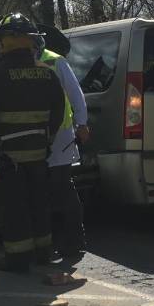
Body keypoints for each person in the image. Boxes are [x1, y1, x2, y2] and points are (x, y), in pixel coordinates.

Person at [0, 13, 66, 273]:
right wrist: (46, 139)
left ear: (7, 41)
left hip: (8, 156)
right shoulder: (47, 73)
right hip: (39, 153)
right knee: (39, 203)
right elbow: (58, 112)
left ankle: (18, 258)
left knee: (14, 207)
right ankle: (44, 252)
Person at [37, 38, 90, 262]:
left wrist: (82, 123)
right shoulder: (16, 61)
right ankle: (49, 242)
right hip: (33, 137)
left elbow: (75, 93)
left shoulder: (54, 61)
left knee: (61, 188)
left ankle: (73, 242)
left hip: (59, 136)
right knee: (43, 191)